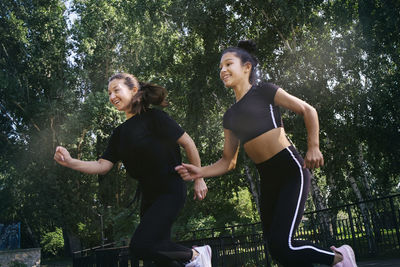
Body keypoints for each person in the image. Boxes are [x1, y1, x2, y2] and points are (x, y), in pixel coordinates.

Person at [175, 41, 357, 267]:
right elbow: (227, 161)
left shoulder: (265, 91)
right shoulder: (230, 116)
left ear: (247, 67)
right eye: (220, 67)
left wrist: (314, 146)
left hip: (292, 172)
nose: (222, 70)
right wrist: (199, 172)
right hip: (268, 182)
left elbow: (307, 110)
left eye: (228, 64)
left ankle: (340, 258)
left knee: (284, 244)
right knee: (277, 249)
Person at [54, 73, 212, 267]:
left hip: (170, 189)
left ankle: (196, 255)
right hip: (148, 196)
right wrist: (71, 162)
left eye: (116, 90)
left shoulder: (154, 117)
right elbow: (102, 166)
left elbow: (188, 143)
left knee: (140, 245)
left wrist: (199, 178)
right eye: (109, 93)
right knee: (156, 251)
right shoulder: (119, 134)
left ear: (134, 90)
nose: (112, 97)